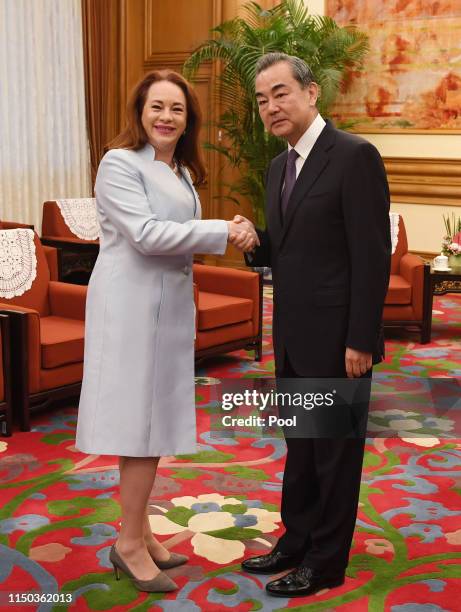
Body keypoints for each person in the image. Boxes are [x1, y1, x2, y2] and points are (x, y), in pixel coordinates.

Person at [75, 69, 257, 593]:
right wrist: (226, 228)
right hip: (131, 310)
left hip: (169, 309)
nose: (166, 117)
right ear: (139, 112)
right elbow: (147, 234)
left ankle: (138, 530)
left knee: (152, 425)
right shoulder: (118, 164)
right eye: (157, 107)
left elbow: (176, 237)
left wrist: (219, 230)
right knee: (138, 426)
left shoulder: (179, 171)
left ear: (188, 120)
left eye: (177, 109)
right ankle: (128, 545)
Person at [237, 53, 391, 598]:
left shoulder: (354, 156)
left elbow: (372, 257)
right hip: (293, 337)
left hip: (338, 341)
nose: (271, 107)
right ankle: (295, 540)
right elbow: (293, 248)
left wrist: (360, 340)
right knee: (301, 444)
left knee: (334, 454)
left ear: (310, 93)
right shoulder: (279, 166)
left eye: (280, 93)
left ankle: (326, 561)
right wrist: (256, 240)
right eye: (261, 99)